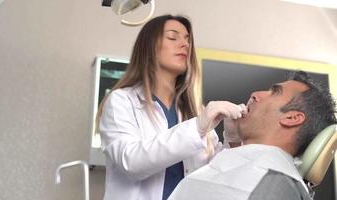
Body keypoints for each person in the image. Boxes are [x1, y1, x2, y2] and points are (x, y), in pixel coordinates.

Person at [97, 15, 247, 200]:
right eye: (172, 37)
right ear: (149, 47)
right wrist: (197, 128)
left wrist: (232, 139)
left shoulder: (194, 111)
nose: (185, 44)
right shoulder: (122, 101)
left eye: (187, 39)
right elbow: (130, 162)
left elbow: (216, 174)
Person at [168, 71, 337, 200]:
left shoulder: (276, 187)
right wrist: (233, 143)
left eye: (275, 92)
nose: (255, 94)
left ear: (292, 118)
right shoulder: (260, 176)